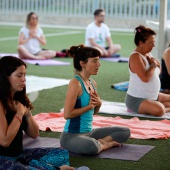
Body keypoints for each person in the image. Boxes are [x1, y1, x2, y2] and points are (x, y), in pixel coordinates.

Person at [0, 56, 75, 170]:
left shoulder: (17, 100)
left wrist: (26, 113)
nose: (24, 79)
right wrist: (19, 114)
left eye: (24, 75)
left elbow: (34, 134)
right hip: (2, 159)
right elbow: (4, 141)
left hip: (18, 156)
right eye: (19, 75)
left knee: (60, 153)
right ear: (5, 77)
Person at [60, 45, 130, 155]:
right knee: (91, 146)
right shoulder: (75, 83)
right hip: (71, 136)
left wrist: (98, 104)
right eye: (95, 61)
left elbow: (93, 112)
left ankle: (99, 143)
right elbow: (67, 114)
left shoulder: (93, 83)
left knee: (125, 132)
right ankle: (103, 144)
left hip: (90, 133)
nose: (99, 64)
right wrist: (89, 107)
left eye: (98, 61)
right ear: (82, 63)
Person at [125, 25, 170, 117]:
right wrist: (153, 65)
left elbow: (157, 73)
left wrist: (157, 65)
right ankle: (164, 107)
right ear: (141, 43)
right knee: (160, 110)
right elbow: (145, 78)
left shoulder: (147, 54)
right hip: (137, 100)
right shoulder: (135, 56)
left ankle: (160, 105)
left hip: (153, 96)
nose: (153, 45)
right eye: (151, 43)